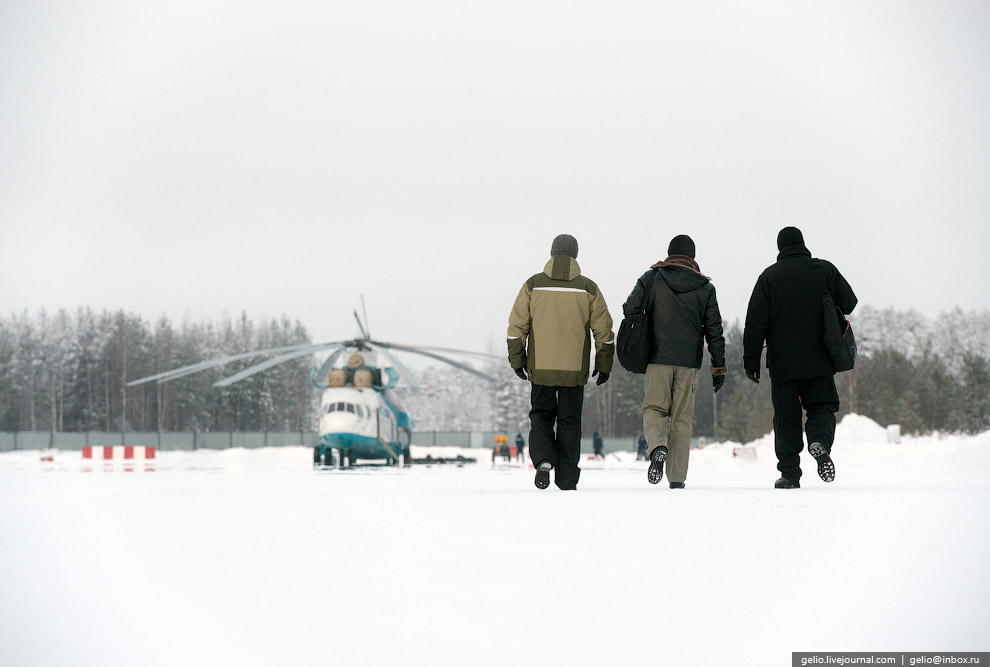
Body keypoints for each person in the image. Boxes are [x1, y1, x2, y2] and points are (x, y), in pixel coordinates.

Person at [743, 227, 857, 489]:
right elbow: (849, 303)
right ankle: (819, 441)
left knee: (786, 417)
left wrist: (751, 362)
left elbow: (754, 324)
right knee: (822, 406)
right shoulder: (824, 270)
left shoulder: (768, 277)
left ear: (780, 248)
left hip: (783, 364)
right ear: (803, 244)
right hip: (820, 359)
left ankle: (790, 474)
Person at [507, 234, 615, 490]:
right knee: (569, 421)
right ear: (575, 255)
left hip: (540, 367)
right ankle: (566, 478)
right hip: (573, 370)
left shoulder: (533, 285)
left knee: (541, 416)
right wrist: (604, 363)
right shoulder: (588, 288)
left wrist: (517, 360)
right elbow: (604, 332)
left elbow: (516, 327)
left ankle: (544, 460)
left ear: (552, 253)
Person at [622, 234, 726, 489]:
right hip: (689, 362)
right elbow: (714, 329)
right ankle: (677, 478)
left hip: (657, 358)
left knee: (654, 409)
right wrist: (718, 366)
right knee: (682, 419)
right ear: (692, 257)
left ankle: (658, 446)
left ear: (669, 253)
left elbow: (629, 308)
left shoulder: (651, 278)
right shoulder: (705, 288)